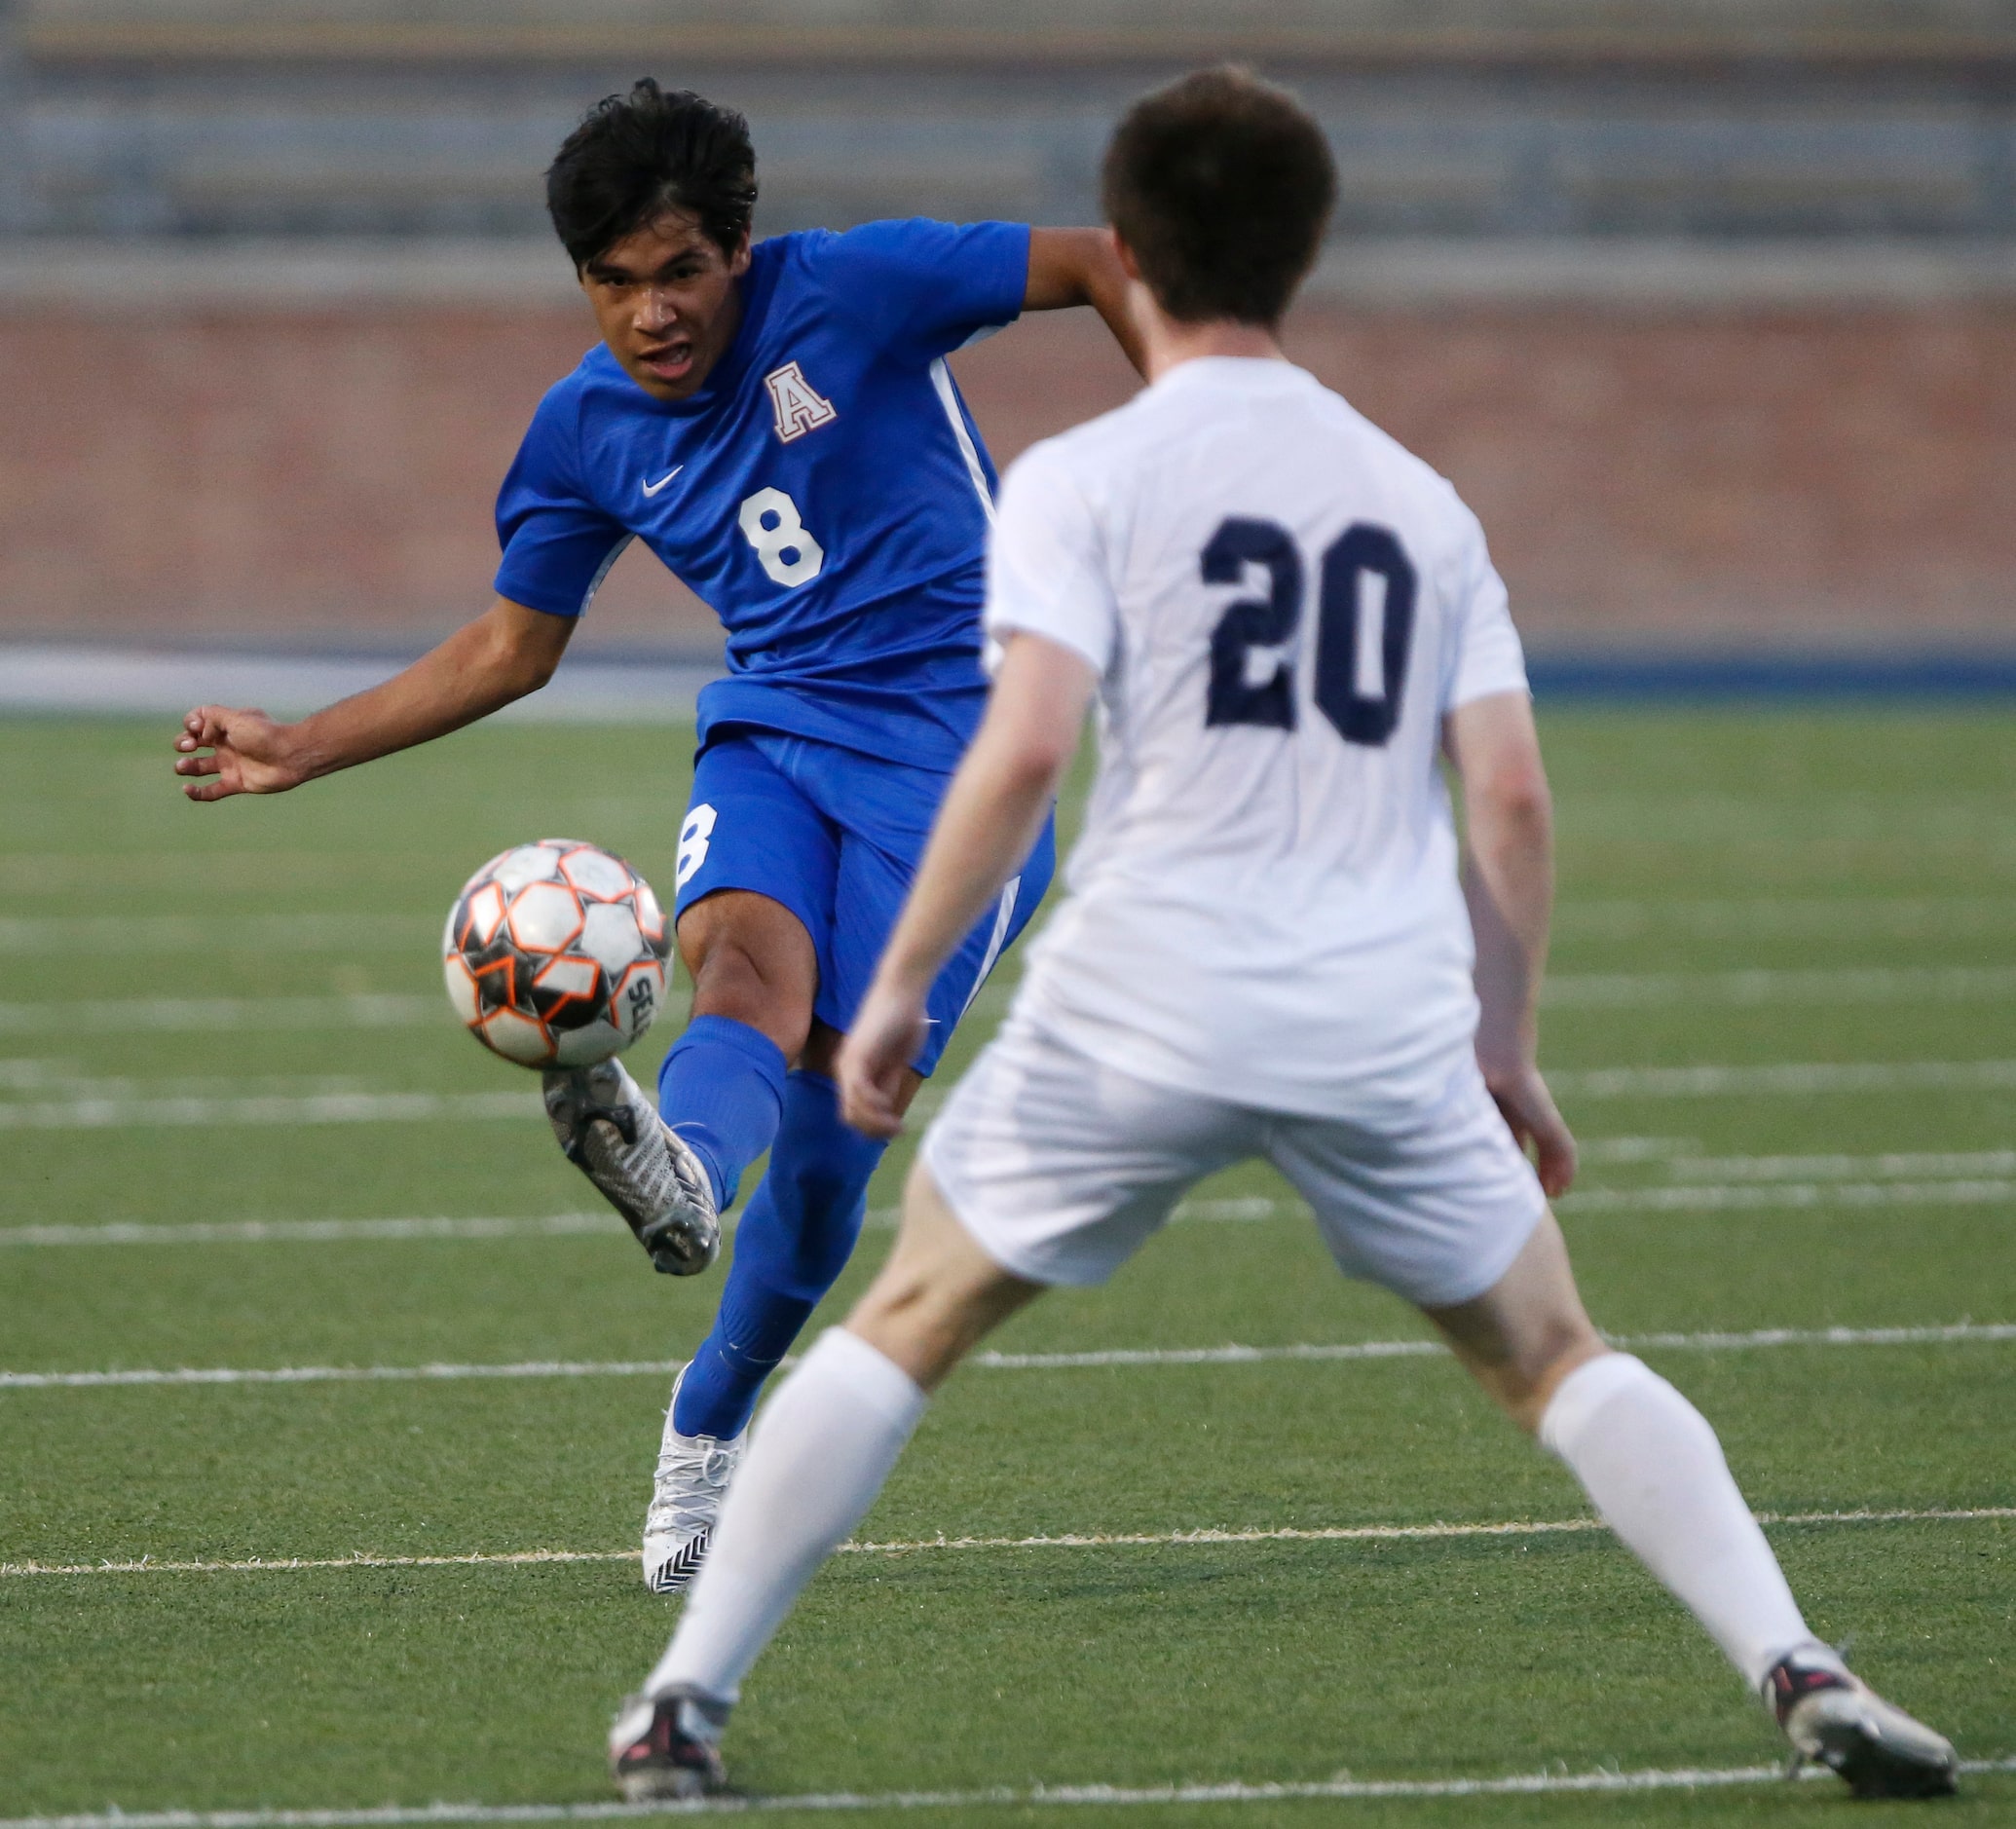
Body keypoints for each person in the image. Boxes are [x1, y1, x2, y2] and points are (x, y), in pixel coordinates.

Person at [607, 67, 1960, 1805]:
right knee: (1554, 1353)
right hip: (1373, 1007)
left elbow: (1019, 752)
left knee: (905, 1318)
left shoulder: (1081, 480)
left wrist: (887, 1000)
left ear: (1134, 248)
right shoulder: (1417, 499)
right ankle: (1798, 1659)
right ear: (1302, 252)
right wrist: (1504, 1046)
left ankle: (678, 1709)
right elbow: (1516, 804)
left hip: (1142, 996)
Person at [170, 79, 1142, 1594]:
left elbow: (1102, 260)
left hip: (968, 766)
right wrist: (303, 743)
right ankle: (681, 1171)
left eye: (678, 271)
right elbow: (511, 646)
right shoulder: (583, 431)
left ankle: (707, 1418)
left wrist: (1207, 441)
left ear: (738, 254)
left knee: (833, 1135)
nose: (650, 316)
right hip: (771, 728)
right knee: (734, 965)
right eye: (612, 282)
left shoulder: (862, 287)